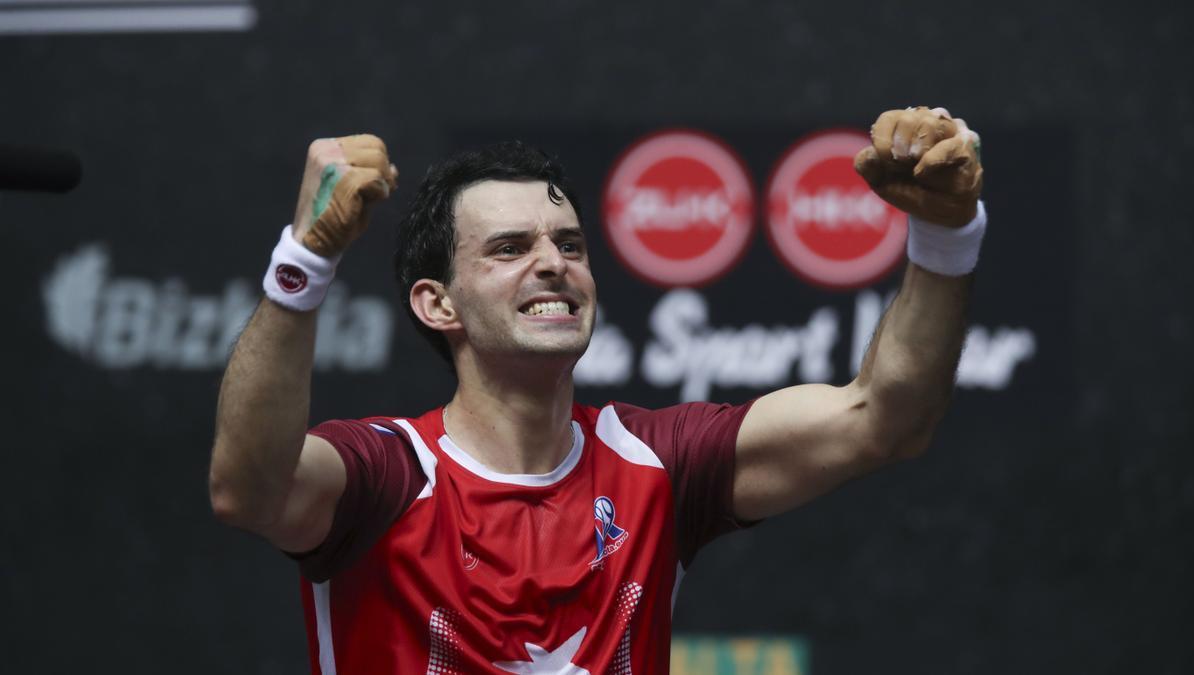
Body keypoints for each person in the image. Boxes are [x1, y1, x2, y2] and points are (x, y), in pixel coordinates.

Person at [209, 106, 986, 674]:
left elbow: (884, 416)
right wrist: (304, 260)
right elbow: (247, 489)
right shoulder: (387, 475)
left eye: (569, 244)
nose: (553, 263)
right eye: (510, 248)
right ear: (436, 303)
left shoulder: (658, 464)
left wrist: (947, 235)